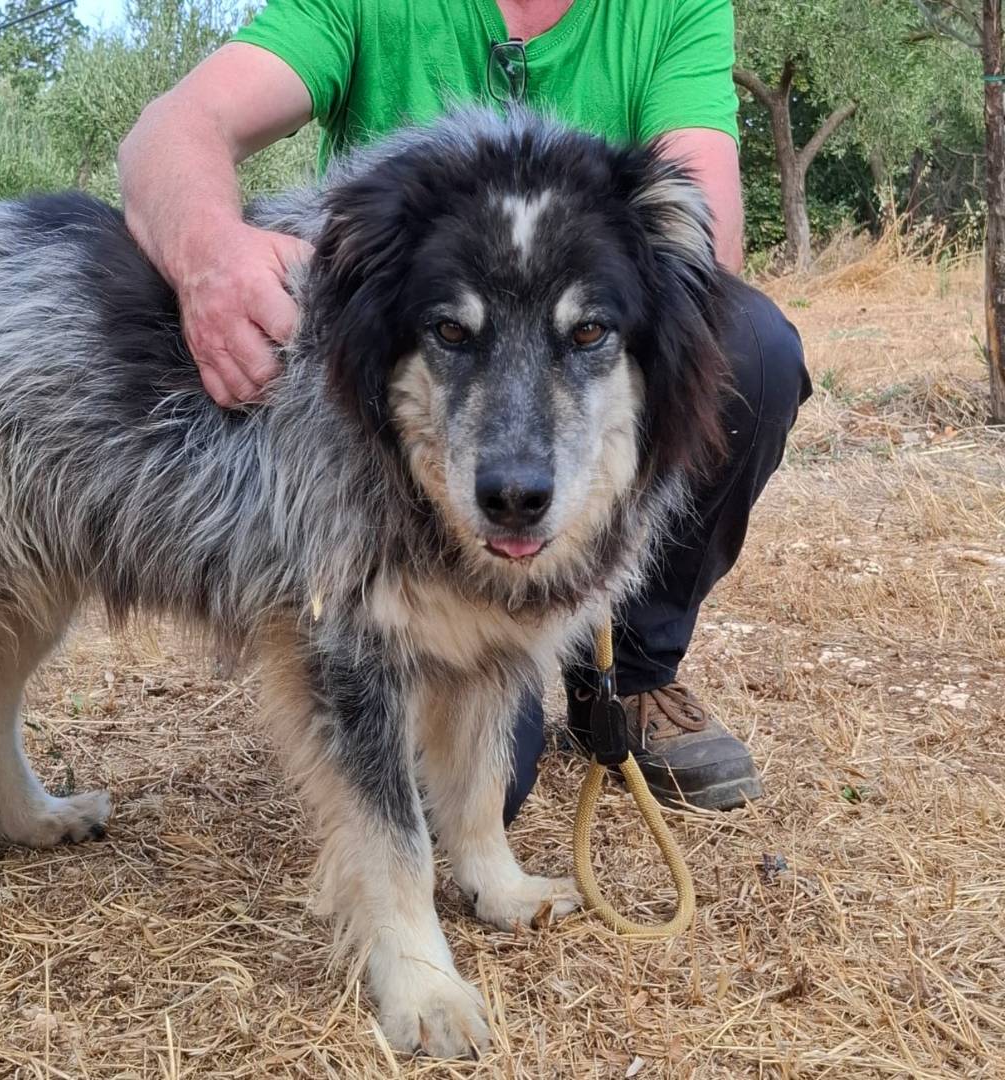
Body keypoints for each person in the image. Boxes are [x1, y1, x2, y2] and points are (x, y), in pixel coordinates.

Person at [117, 0, 810, 816]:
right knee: (473, 785)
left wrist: (591, 274)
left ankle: (628, 675)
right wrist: (209, 252)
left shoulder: (667, 9)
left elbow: (707, 240)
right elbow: (173, 128)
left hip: (567, 313)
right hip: (390, 447)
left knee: (752, 346)